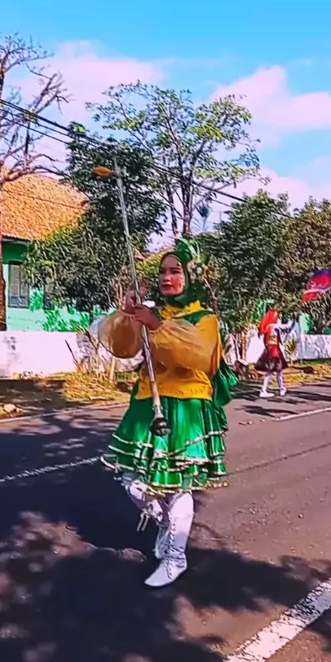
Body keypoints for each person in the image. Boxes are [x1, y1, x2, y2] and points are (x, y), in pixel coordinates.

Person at [98, 238, 236, 588]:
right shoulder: (152, 313)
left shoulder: (205, 318)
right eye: (162, 271)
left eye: (175, 271)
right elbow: (122, 348)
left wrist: (157, 326)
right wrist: (129, 315)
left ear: (192, 276)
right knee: (132, 479)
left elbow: (199, 355)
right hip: (147, 402)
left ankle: (176, 558)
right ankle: (165, 523)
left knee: (177, 487)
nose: (167, 277)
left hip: (185, 405)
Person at [255, 309, 290, 398]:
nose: (278, 318)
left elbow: (266, 340)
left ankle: (278, 388)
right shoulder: (273, 326)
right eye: (277, 316)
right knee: (276, 371)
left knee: (271, 372)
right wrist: (293, 320)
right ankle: (277, 389)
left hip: (269, 350)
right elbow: (287, 327)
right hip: (275, 351)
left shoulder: (267, 327)